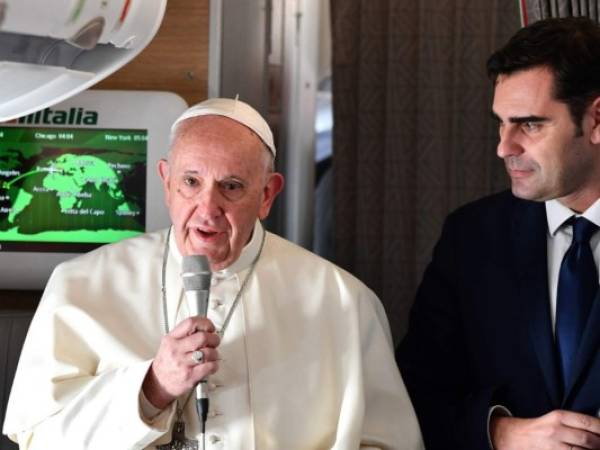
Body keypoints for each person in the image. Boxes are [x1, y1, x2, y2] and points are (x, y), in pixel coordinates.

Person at [3, 98, 424, 449]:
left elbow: (387, 442)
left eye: (232, 186)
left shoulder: (344, 302)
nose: (208, 209)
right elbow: (39, 436)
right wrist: (152, 388)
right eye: (191, 181)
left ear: (267, 195)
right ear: (166, 181)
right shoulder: (79, 285)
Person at [396, 16, 600, 450]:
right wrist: (499, 432)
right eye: (501, 123)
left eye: (529, 124)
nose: (504, 147)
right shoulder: (470, 238)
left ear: (597, 119)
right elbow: (412, 391)